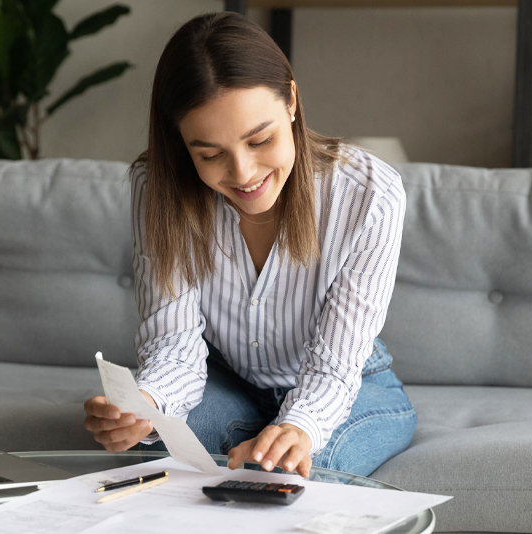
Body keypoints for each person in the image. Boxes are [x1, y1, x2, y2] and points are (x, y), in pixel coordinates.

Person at [83, 11, 416, 478]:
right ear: (181, 143)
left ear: (292, 102)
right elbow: (174, 345)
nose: (243, 174)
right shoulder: (157, 188)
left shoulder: (369, 194)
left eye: (261, 139)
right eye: (210, 154)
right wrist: (145, 405)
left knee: (289, 476)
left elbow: (333, 369)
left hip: (353, 384)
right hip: (228, 382)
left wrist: (298, 426)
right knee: (157, 457)